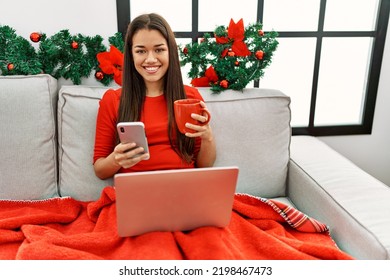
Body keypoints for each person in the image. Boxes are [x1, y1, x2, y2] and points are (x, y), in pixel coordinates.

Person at [93, 13, 216, 180]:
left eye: (159, 49)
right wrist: (116, 159)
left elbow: (205, 166)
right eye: (141, 51)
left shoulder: (190, 97)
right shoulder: (113, 100)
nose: (150, 59)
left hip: (184, 189)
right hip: (137, 193)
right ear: (131, 55)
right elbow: (100, 171)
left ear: (170, 52)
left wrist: (207, 137)